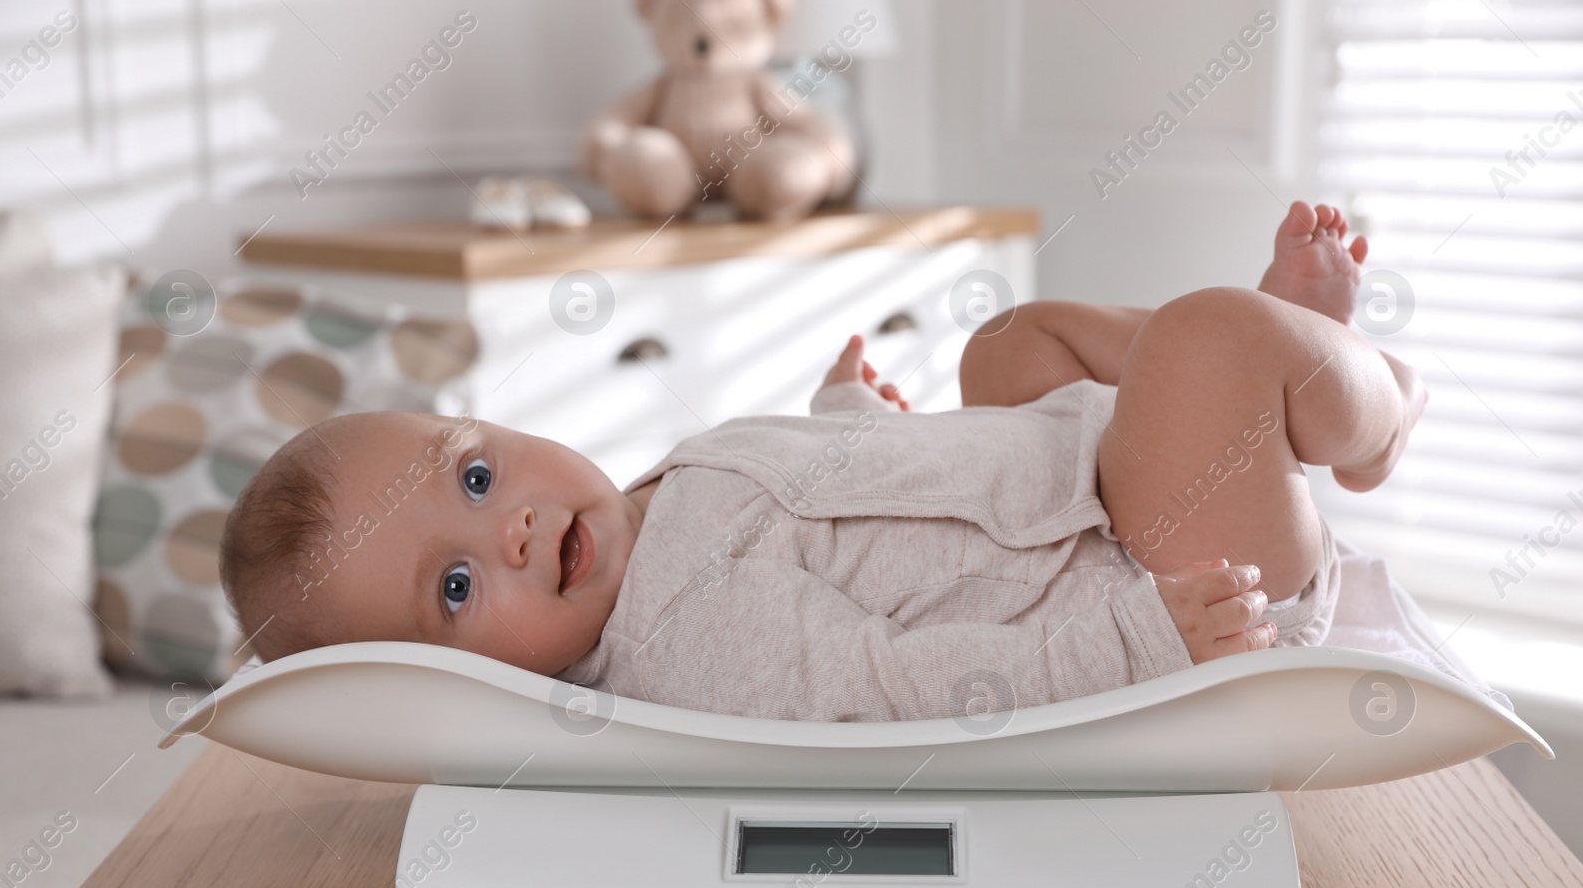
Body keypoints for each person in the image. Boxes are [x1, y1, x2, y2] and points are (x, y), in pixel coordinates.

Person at [220, 202, 1425, 721]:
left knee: (1012, 342)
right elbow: (898, 677)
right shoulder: (688, 645)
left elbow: (823, 498)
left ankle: (1268, 396)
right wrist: (1138, 640)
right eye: (455, 587)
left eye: (474, 479)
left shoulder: (646, 509)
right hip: (1159, 576)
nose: (510, 533)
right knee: (1203, 334)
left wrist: (847, 412)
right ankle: (1358, 408)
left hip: (1071, 485)